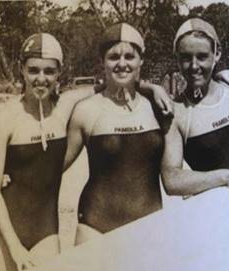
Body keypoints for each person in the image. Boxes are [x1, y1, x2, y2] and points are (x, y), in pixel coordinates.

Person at [63, 23, 169, 244]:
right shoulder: (86, 109)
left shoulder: (157, 105)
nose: (122, 63)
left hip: (150, 230)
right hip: (95, 228)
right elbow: (54, 167)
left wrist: (222, 75)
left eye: (129, 56)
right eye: (113, 57)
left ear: (141, 60)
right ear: (102, 61)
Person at [0, 33, 76, 271]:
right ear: (21, 70)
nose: (41, 79)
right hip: (3, 231)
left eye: (49, 71)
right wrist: (13, 246)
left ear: (59, 72)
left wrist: (151, 87)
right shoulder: (6, 118)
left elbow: (109, 88)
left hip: (46, 230)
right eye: (33, 70)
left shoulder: (66, 110)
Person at [161, 18, 229, 203]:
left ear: (217, 54)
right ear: (177, 59)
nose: (194, 66)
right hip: (220, 213)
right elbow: (171, 180)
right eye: (186, 57)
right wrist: (225, 177)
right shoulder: (176, 113)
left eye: (202, 56)